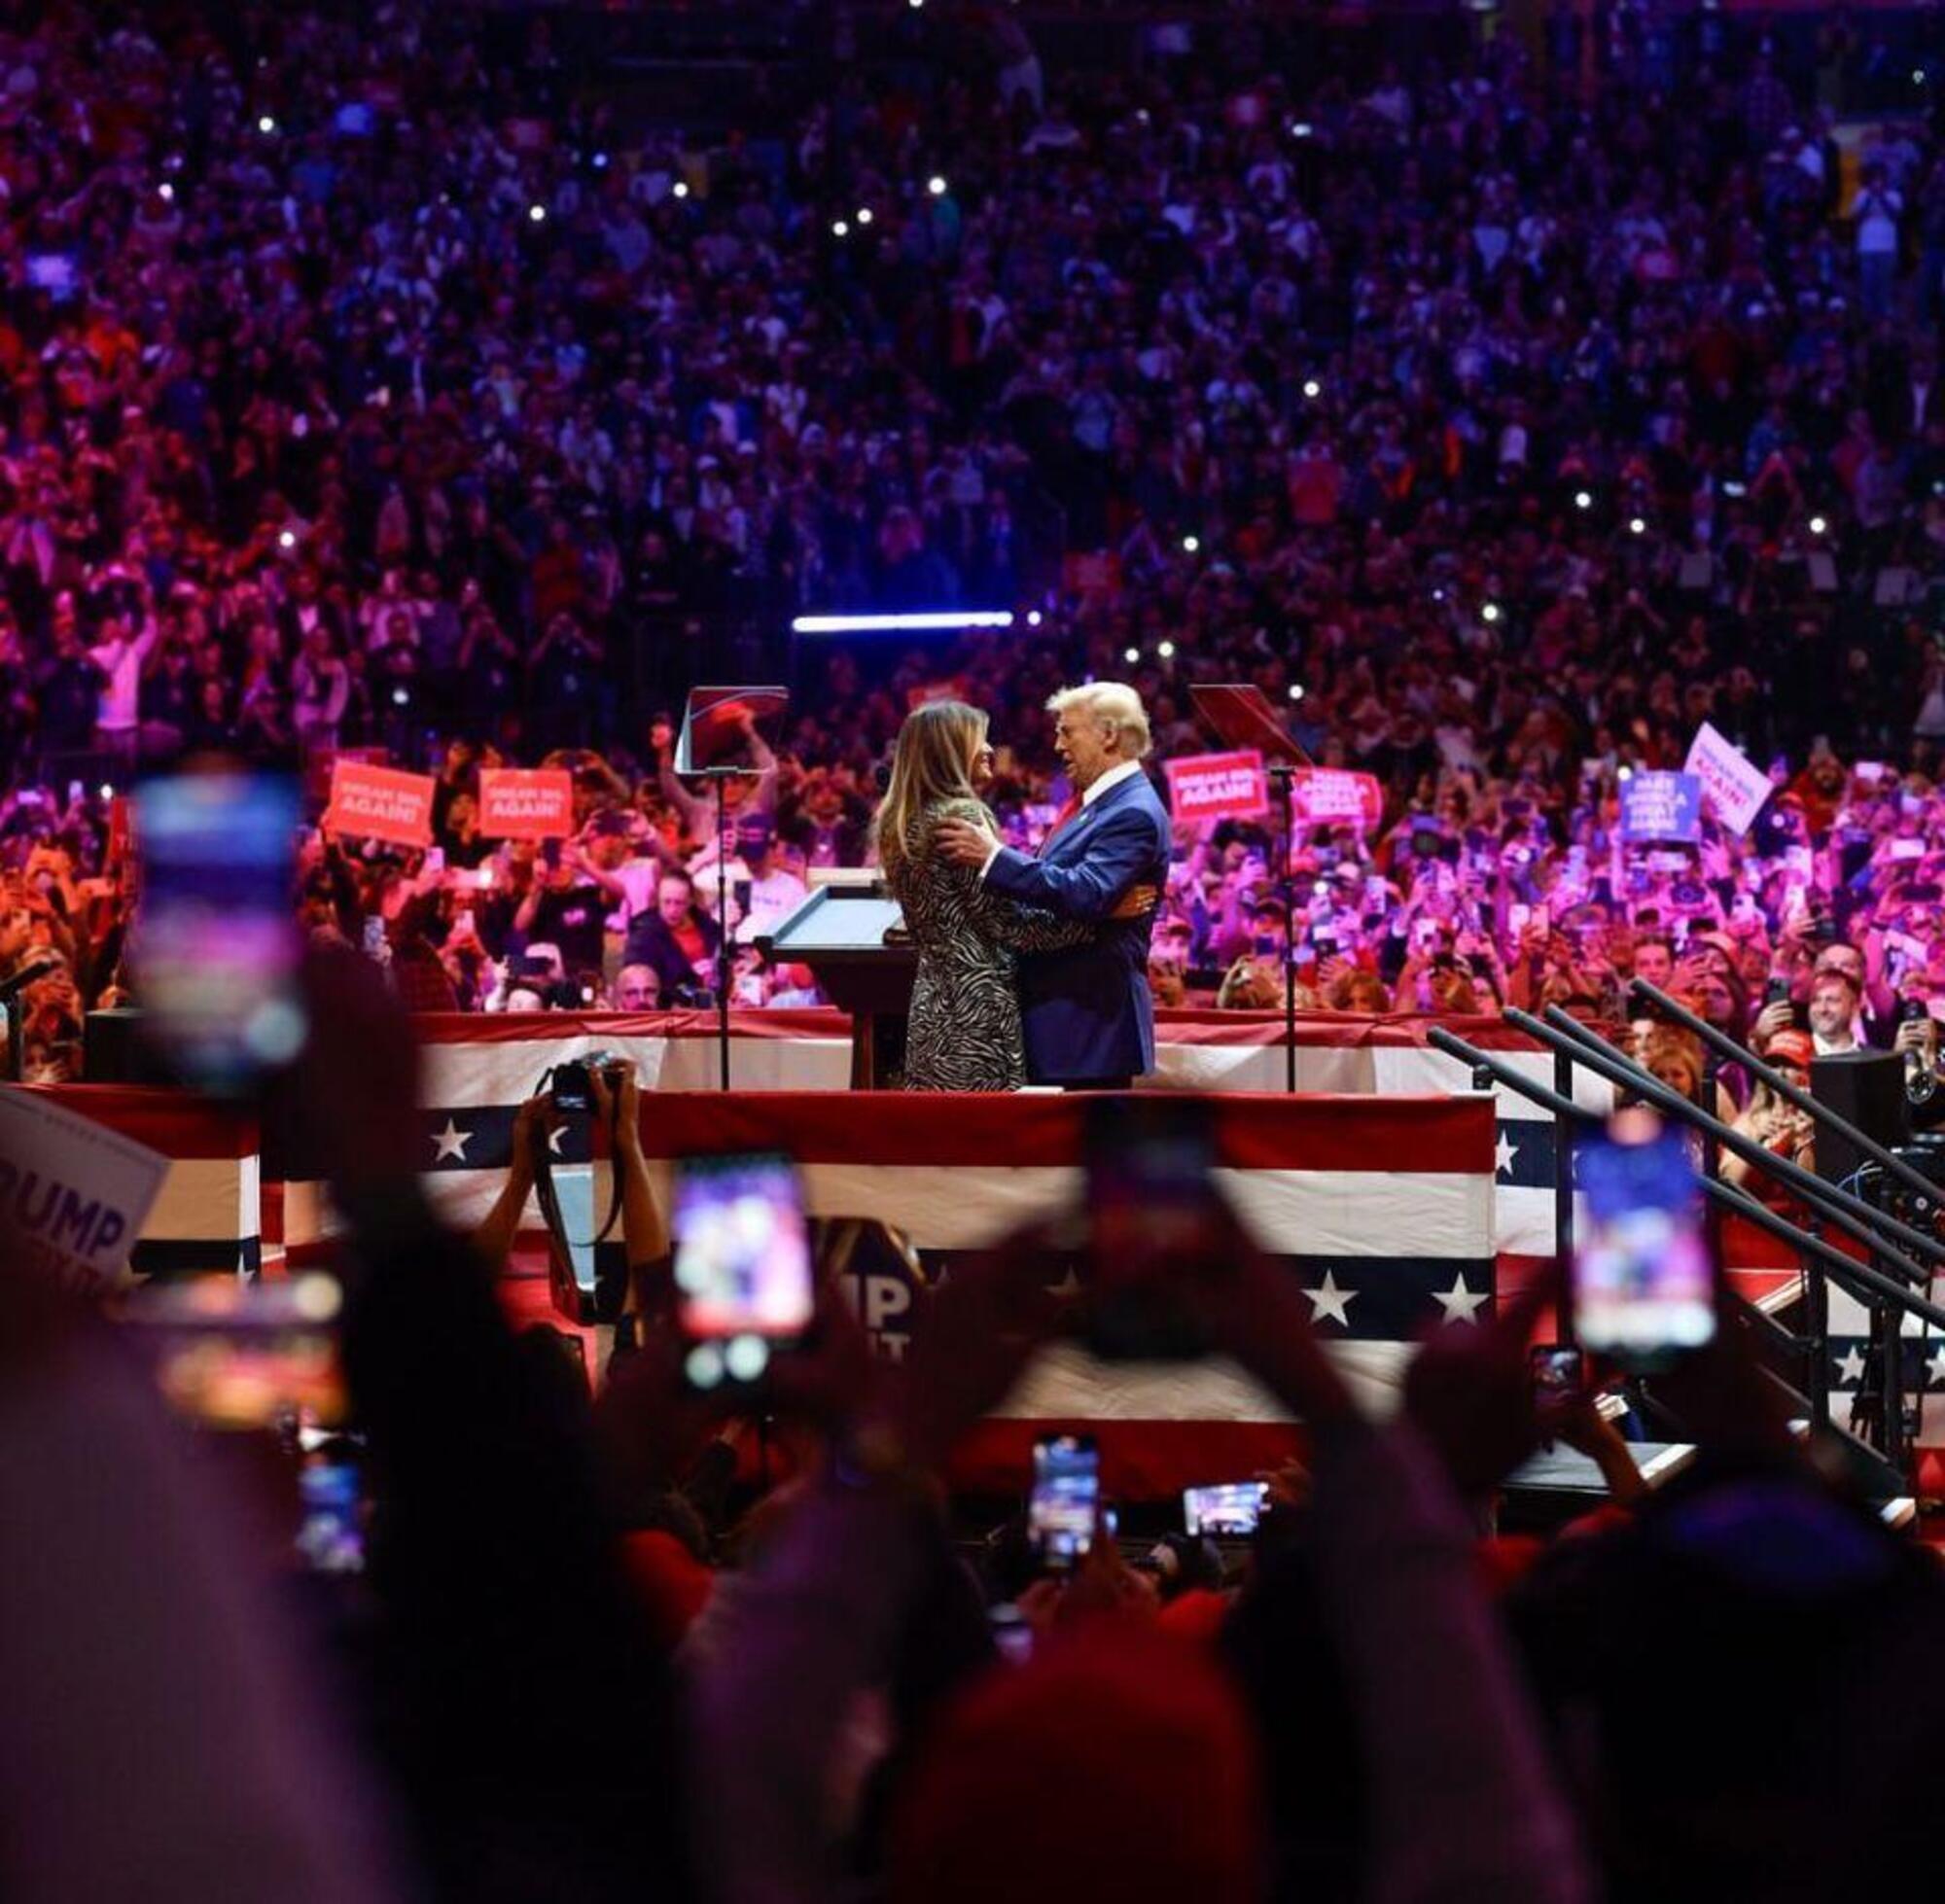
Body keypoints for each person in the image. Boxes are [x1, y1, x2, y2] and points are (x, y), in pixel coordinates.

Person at [876, 699, 1152, 1092]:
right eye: (980, 740)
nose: (991, 749)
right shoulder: (965, 817)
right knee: (989, 1138)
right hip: (978, 1007)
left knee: (941, 1135)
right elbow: (1011, 927)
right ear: (951, 749)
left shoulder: (900, 818)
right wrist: (1098, 918)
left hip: (931, 1002)